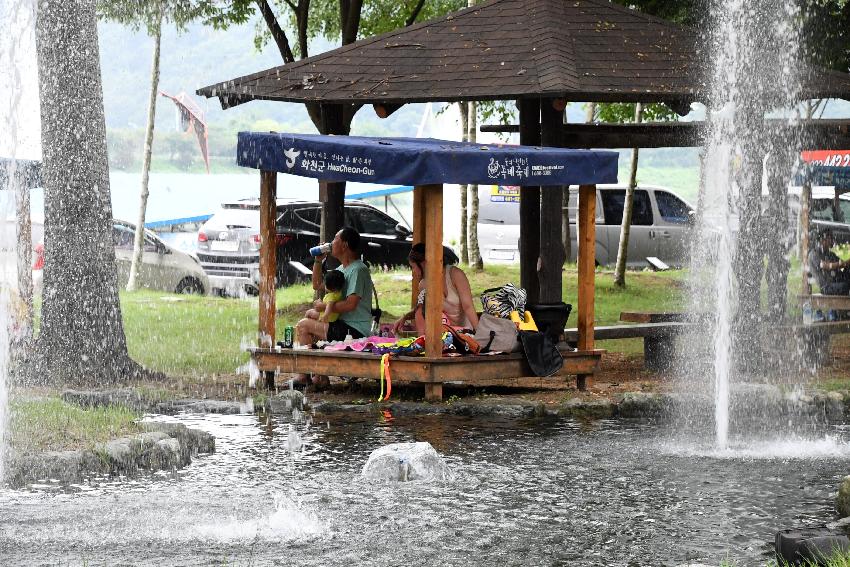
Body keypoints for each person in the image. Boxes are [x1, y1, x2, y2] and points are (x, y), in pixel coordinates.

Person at [296, 226, 374, 347]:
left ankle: (308, 362)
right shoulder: (341, 269)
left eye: (335, 239)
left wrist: (324, 306)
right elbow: (317, 285)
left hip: (354, 330)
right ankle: (316, 355)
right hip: (341, 323)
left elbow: (350, 304)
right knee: (310, 314)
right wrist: (318, 261)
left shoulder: (358, 270)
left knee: (303, 325)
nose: (331, 243)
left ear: (344, 245)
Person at [392, 243, 479, 335]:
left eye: (413, 267)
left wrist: (480, 334)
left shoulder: (455, 274)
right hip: (442, 335)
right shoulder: (423, 284)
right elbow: (420, 311)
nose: (413, 271)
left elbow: (468, 306)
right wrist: (405, 317)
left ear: (424, 263)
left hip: (464, 334)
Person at [809, 228, 850, 295]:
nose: (831, 241)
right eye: (829, 239)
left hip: (834, 282)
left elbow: (839, 264)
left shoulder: (828, 252)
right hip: (825, 287)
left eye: (831, 239)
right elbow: (825, 266)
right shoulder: (813, 253)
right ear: (822, 240)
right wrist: (843, 263)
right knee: (846, 286)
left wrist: (845, 263)